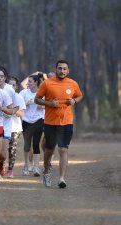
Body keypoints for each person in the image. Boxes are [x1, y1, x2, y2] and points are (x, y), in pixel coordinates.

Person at [34, 60, 83, 188]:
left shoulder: (73, 83)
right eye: (60, 68)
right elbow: (36, 99)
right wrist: (50, 104)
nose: (62, 71)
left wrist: (74, 101)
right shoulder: (47, 83)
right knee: (49, 151)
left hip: (66, 122)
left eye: (64, 69)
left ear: (68, 70)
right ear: (56, 69)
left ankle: (62, 178)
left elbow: (79, 96)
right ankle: (46, 172)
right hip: (50, 122)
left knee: (63, 149)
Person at [20, 73, 45, 177]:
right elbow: (18, 106)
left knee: (35, 144)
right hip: (26, 120)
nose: (28, 83)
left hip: (39, 119)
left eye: (30, 81)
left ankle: (36, 167)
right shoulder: (23, 93)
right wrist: (26, 103)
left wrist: (41, 106)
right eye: (28, 81)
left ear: (36, 82)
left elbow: (46, 105)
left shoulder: (42, 93)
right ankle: (26, 164)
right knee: (27, 144)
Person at [0, 66, 18, 177]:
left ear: (5, 78)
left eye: (2, 76)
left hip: (6, 125)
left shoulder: (10, 90)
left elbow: (17, 106)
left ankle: (1, 164)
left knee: (3, 154)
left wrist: (11, 112)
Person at [7, 77, 26, 178]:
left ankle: (10, 169)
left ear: (16, 87)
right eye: (9, 85)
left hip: (15, 128)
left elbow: (22, 113)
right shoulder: (2, 96)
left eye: (13, 85)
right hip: (2, 126)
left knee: (12, 149)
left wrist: (11, 110)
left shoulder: (18, 97)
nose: (11, 87)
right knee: (1, 150)